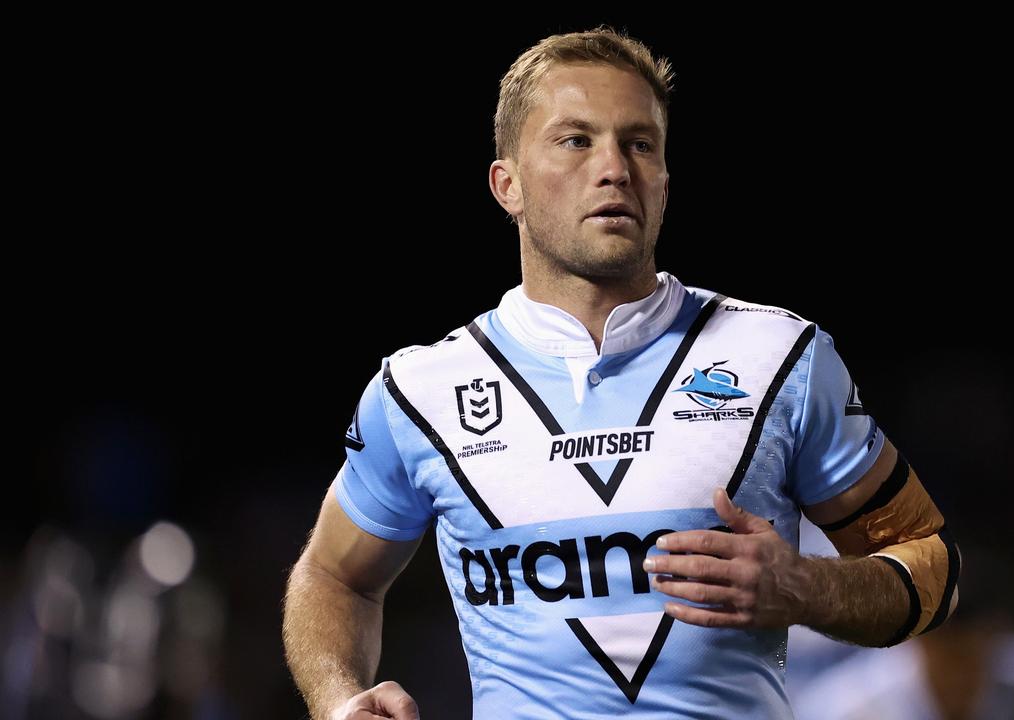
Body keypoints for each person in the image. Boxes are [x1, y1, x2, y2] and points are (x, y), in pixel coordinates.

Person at [282, 26, 961, 720]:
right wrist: (339, 699)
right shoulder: (418, 394)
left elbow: (934, 567)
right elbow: (334, 575)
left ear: (665, 180)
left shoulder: (780, 358)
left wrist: (810, 590)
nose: (615, 168)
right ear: (506, 184)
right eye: (575, 140)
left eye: (640, 144)